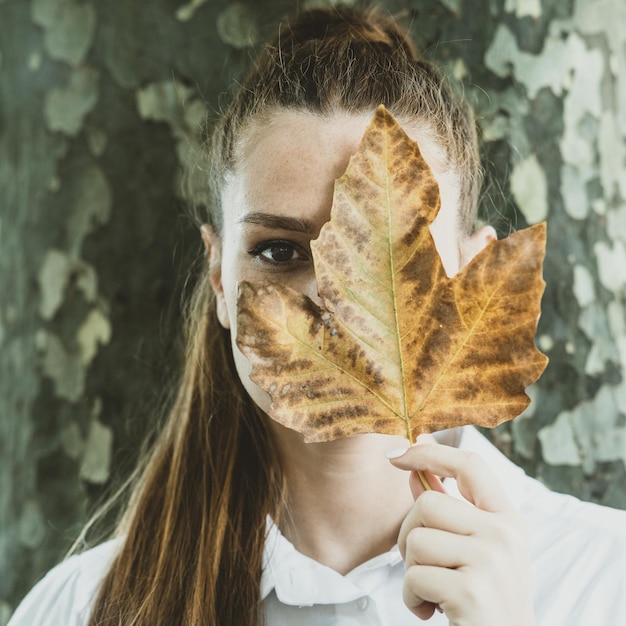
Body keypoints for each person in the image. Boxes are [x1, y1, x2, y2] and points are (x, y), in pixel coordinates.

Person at [8, 6, 626, 626]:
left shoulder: (603, 579)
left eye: (386, 255)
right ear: (220, 280)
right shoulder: (78, 608)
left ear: (468, 279)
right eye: (278, 252)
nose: (336, 301)